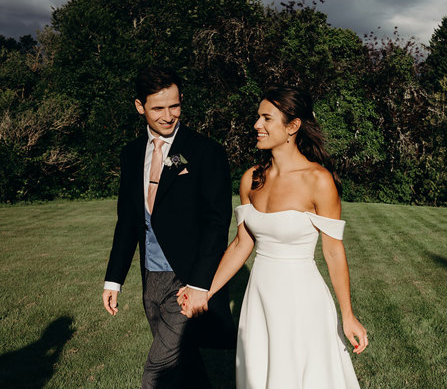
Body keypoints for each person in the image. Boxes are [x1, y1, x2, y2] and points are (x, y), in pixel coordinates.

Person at [179, 86, 368, 388]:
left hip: (301, 301)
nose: (257, 125)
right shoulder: (251, 178)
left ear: (293, 126)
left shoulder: (318, 180)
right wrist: (204, 291)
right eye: (257, 117)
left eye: (267, 118)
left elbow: (333, 252)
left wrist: (348, 315)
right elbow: (243, 243)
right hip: (258, 300)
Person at [101, 67, 234, 388]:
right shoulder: (131, 154)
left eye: (174, 106)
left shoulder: (206, 152)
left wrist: (201, 284)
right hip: (150, 279)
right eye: (158, 108)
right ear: (139, 106)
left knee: (157, 374)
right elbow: (128, 221)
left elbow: (217, 223)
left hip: (186, 280)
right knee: (185, 364)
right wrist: (113, 279)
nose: (168, 115)